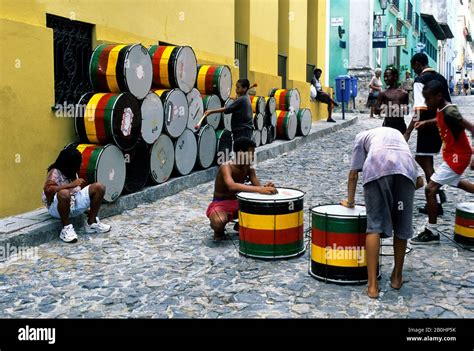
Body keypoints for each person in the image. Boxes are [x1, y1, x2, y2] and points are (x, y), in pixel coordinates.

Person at [341, 127, 423, 298]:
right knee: (402, 225)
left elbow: (353, 174)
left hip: (376, 169)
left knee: (374, 226)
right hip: (406, 169)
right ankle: (396, 278)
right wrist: (399, 199)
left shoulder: (361, 137)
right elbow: (420, 181)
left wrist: (350, 202)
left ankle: (372, 286)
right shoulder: (398, 136)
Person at [410, 80, 474, 245]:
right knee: (458, 183)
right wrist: (425, 122)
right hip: (453, 155)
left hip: (458, 157)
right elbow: (440, 120)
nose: (426, 102)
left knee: (430, 189)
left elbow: (472, 128)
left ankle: (431, 231)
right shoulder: (442, 109)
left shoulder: (450, 111)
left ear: (439, 96)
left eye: (428, 99)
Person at [404, 53, 451, 215]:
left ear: (418, 64)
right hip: (441, 123)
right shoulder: (441, 78)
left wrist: (408, 131)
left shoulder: (420, 81)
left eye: (414, 67)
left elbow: (419, 109)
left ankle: (436, 197)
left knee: (425, 160)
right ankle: (437, 190)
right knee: (423, 158)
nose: (414, 70)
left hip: (427, 125)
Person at [206, 137, 277, 241]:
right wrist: (259, 189)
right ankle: (218, 230)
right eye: (251, 153)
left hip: (239, 203)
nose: (253, 156)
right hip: (220, 204)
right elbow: (232, 186)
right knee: (219, 222)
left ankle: (240, 225)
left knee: (265, 207)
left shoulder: (249, 167)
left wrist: (266, 188)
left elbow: (258, 187)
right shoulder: (226, 166)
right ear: (240, 152)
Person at [42, 146, 111, 243]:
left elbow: (76, 191)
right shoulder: (55, 172)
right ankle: (66, 229)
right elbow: (48, 189)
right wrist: (70, 185)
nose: (81, 164)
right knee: (64, 193)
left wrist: (85, 209)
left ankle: (92, 223)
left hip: (73, 204)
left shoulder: (71, 171)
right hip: (57, 208)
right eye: (79, 162)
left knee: (99, 187)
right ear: (69, 163)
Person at [373, 66, 409, 134]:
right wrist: (388, 109)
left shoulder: (404, 93)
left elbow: (407, 111)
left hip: (400, 126)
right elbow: (375, 110)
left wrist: (402, 109)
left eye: (388, 76)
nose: (385, 79)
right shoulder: (383, 93)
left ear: (395, 76)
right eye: (384, 77)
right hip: (388, 125)